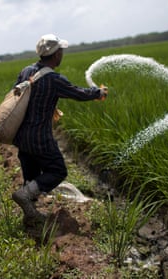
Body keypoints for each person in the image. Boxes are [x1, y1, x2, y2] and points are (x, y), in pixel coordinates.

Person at [11, 34, 108, 225]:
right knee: (57, 170)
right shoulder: (54, 79)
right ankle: (24, 197)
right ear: (56, 55)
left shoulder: (26, 71)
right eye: (61, 51)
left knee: (32, 178)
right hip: (40, 137)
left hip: (22, 137)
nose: (62, 54)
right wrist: (99, 93)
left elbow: (19, 95)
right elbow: (78, 93)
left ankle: (29, 217)